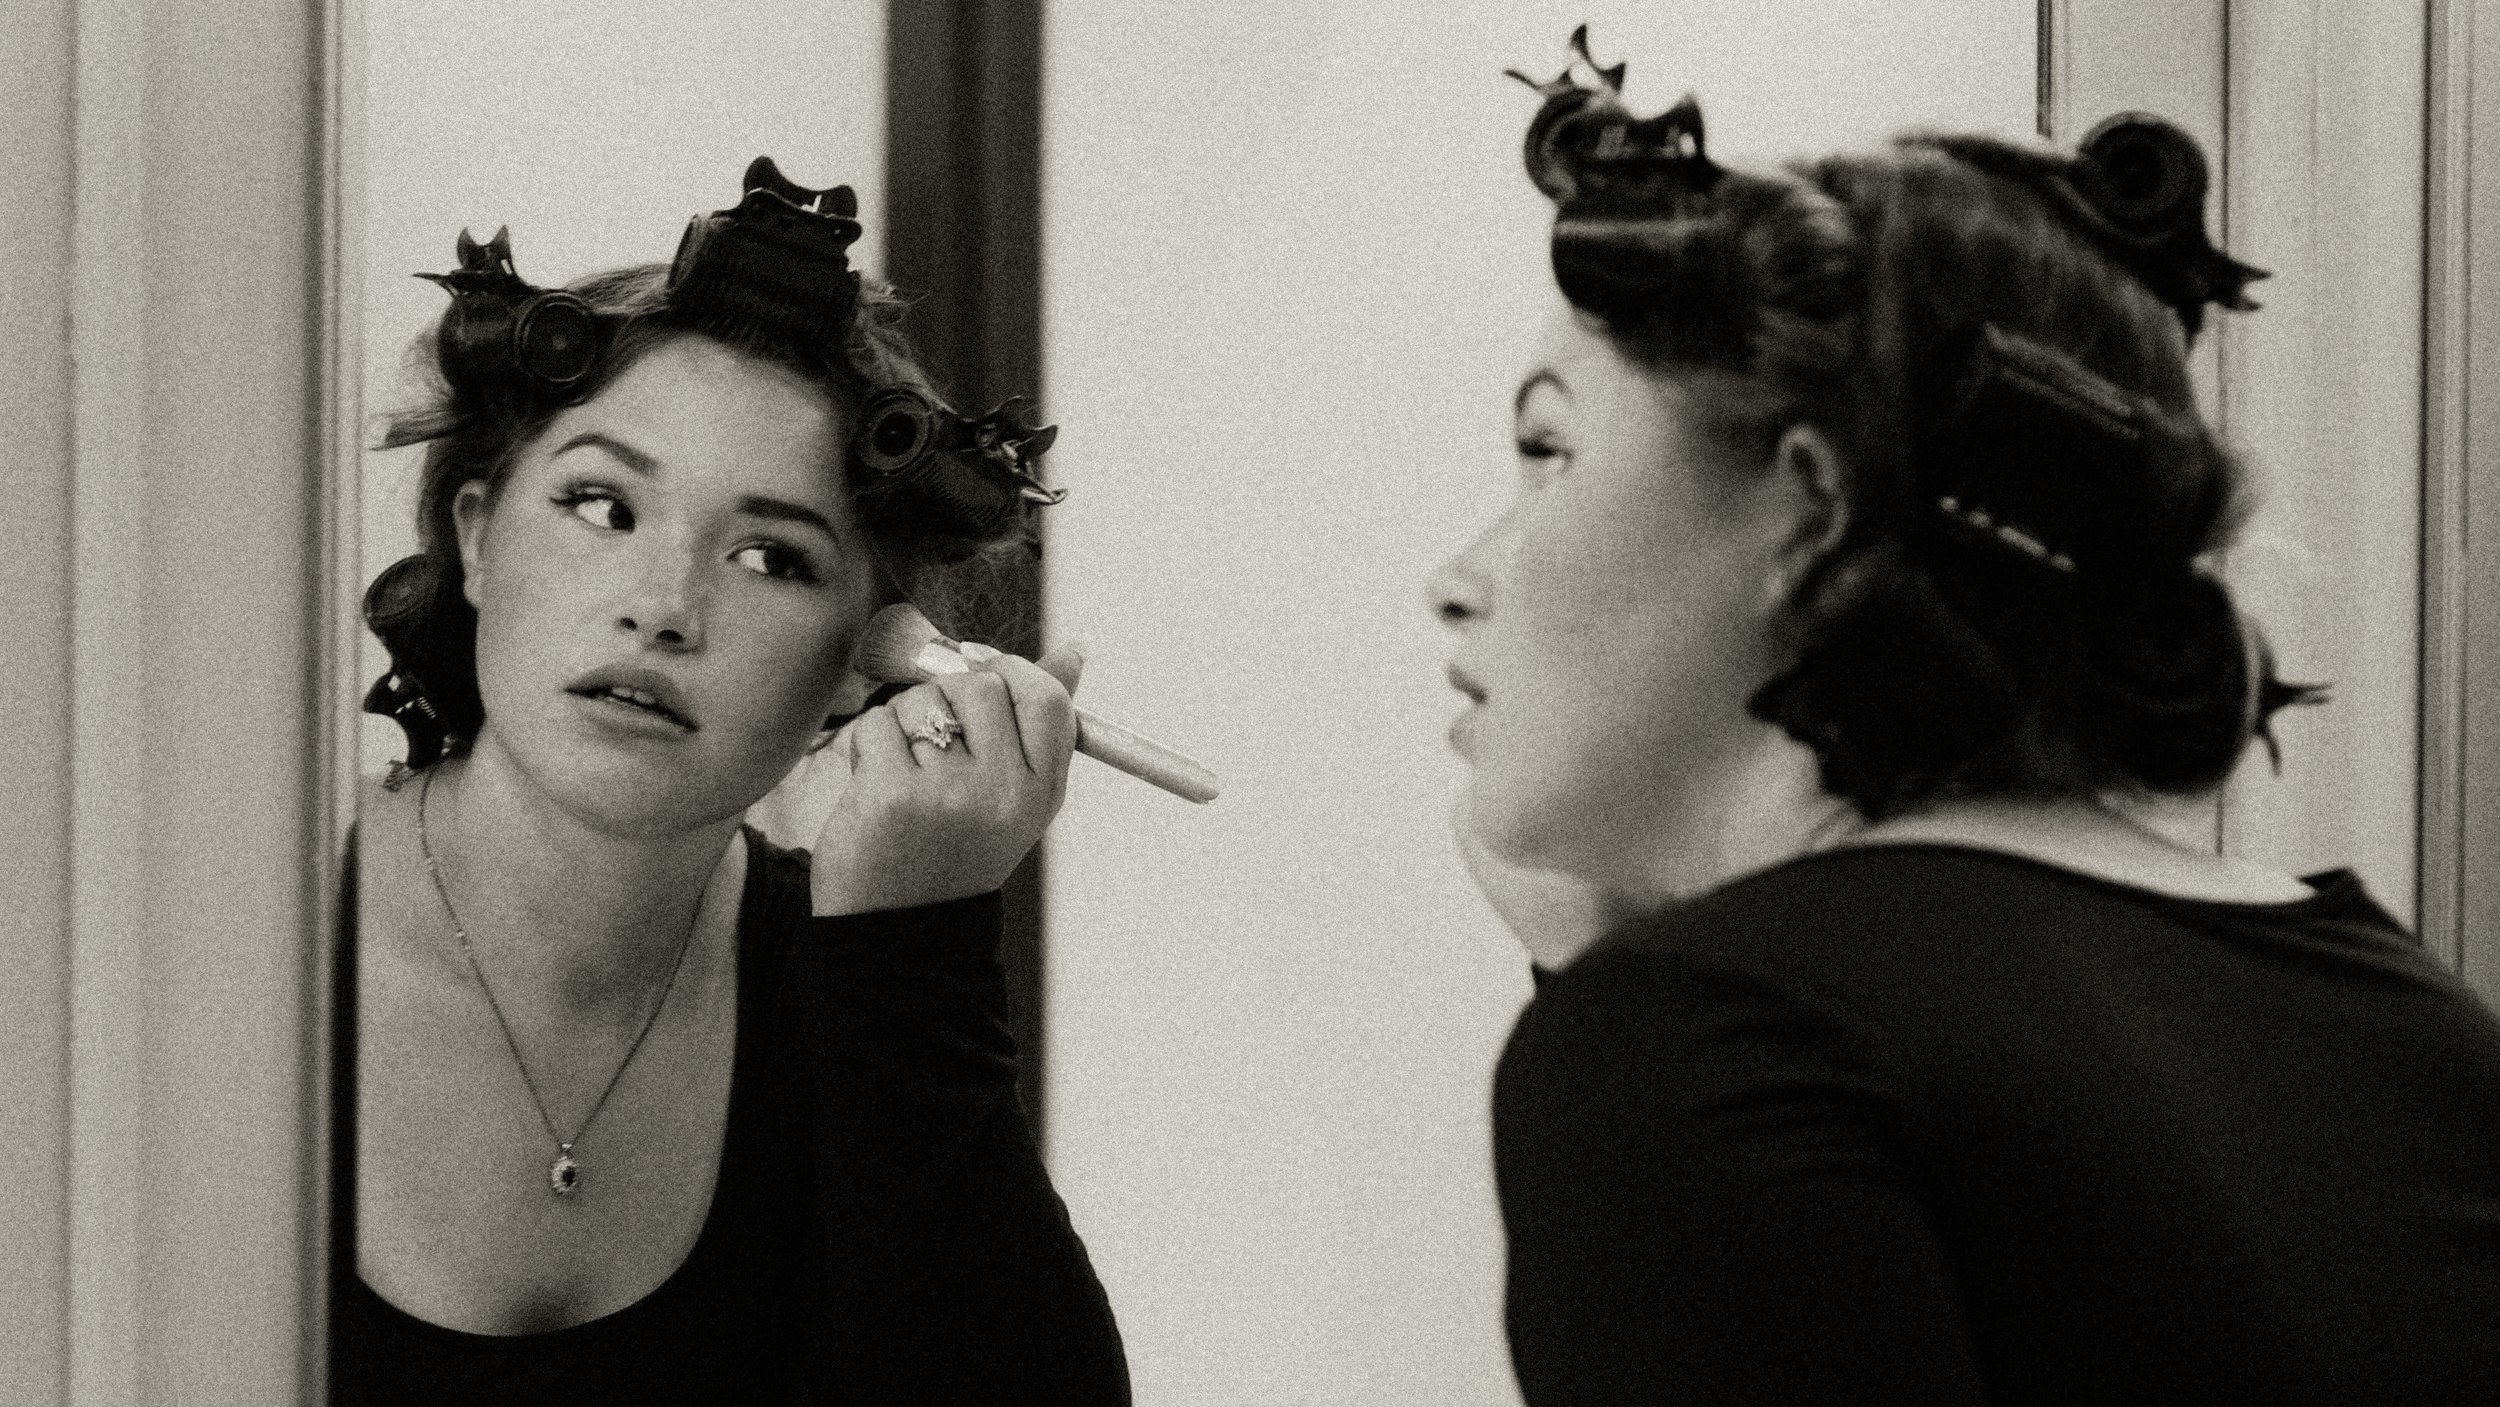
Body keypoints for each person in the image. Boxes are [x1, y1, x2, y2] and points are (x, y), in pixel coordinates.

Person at [1435, 30, 2500, 1405]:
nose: (1460, 577)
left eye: (1548, 451)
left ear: (1808, 511)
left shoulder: (1715, 1042)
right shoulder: (2399, 1017)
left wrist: (1645, 1026)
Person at [333, 159, 1128, 1404]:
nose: (663, 608)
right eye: (603, 505)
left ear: (866, 661)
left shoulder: (848, 988)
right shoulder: (240, 945)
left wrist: (913, 947)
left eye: (769, 556)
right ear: (478, 537)